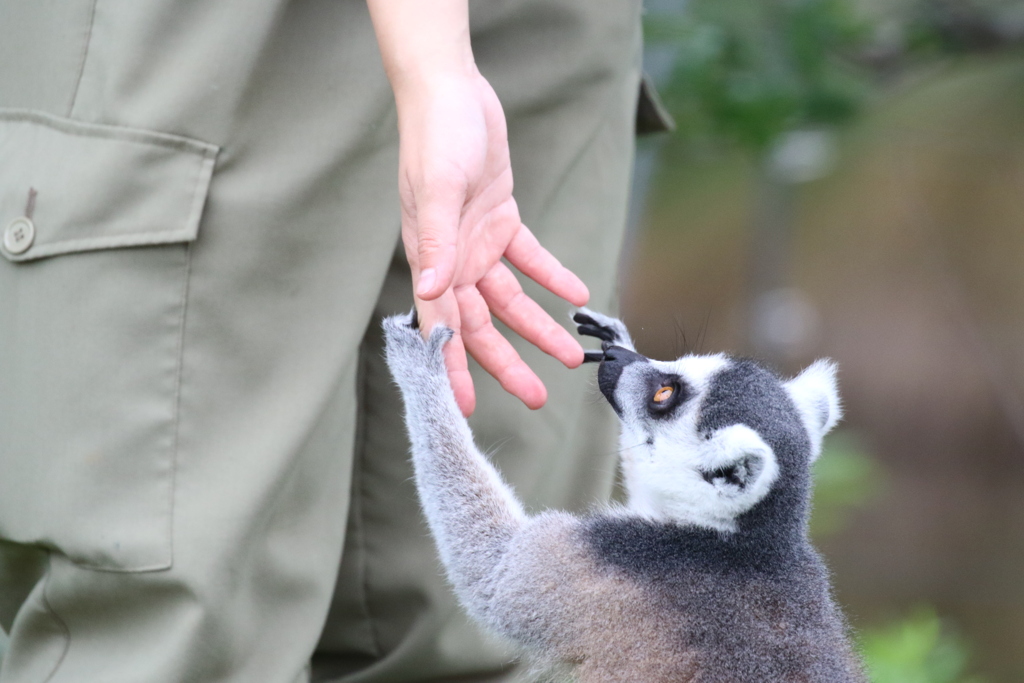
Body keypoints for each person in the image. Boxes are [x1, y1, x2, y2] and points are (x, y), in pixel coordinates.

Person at [0, 1, 654, 681]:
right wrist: (435, 69)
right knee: (181, 630)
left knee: (492, 625)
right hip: (233, 37)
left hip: (537, 38)